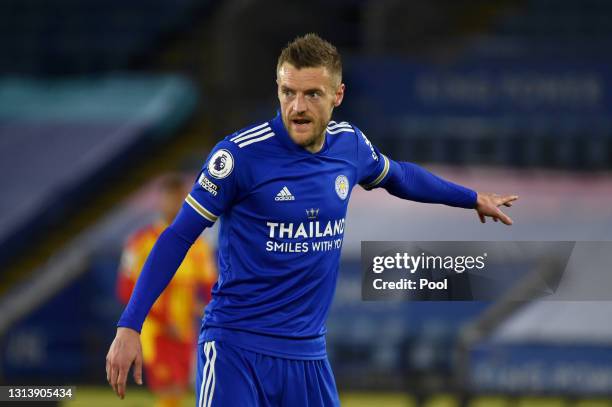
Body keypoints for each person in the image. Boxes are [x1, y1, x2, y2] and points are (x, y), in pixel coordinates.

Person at [106, 33, 518, 406]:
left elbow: (400, 177)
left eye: (312, 94)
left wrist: (472, 199)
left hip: (308, 358)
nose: (297, 107)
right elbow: (177, 236)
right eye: (288, 93)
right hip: (236, 350)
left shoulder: (350, 146)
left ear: (337, 95)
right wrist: (130, 326)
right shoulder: (238, 157)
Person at [115, 174, 217, 407]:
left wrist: (206, 309)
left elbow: (210, 288)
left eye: (180, 197)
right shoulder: (140, 241)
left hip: (184, 332)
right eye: (170, 197)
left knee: (179, 392)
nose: (175, 203)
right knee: (168, 391)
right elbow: (125, 289)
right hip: (157, 332)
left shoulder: (199, 246)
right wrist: (161, 318)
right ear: (160, 201)